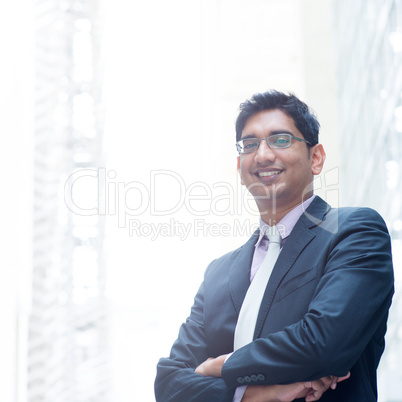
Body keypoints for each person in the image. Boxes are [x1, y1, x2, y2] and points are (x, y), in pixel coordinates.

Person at [154, 90, 394, 401]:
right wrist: (251, 395)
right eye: (250, 144)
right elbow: (170, 383)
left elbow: (323, 343)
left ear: (316, 158)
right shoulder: (218, 273)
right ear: (240, 167)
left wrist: (221, 366)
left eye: (280, 140)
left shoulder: (354, 232)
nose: (263, 155)